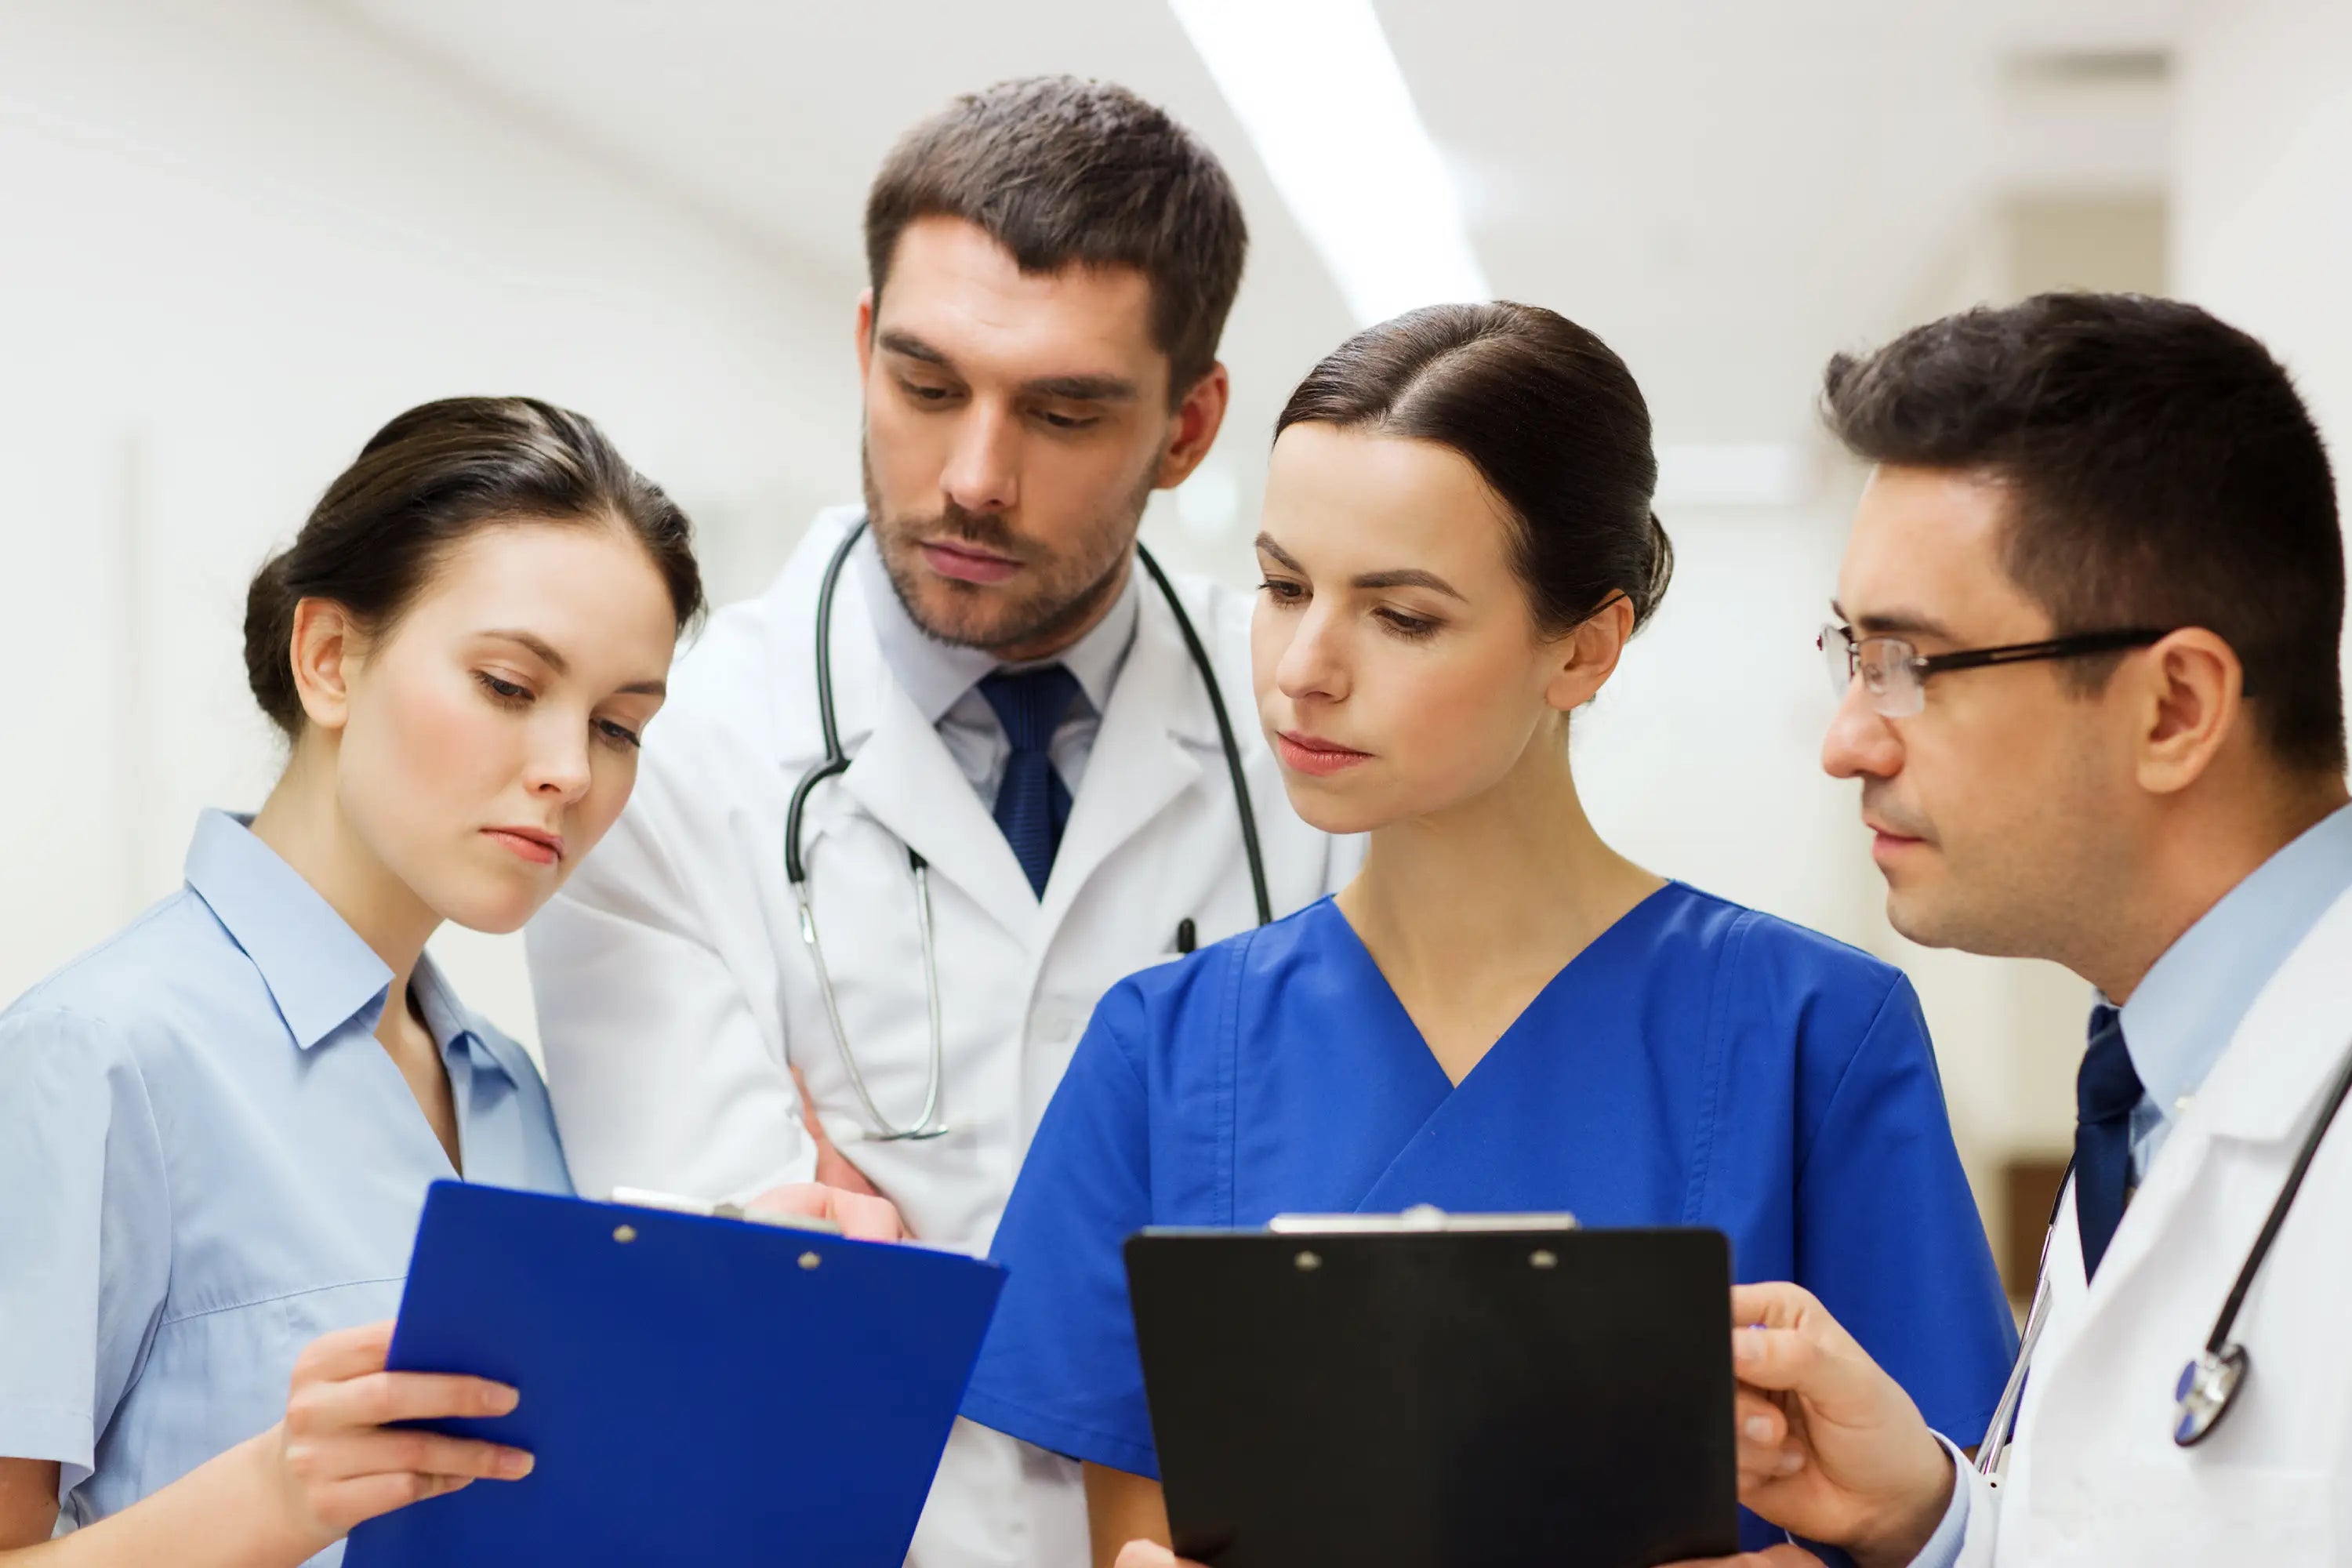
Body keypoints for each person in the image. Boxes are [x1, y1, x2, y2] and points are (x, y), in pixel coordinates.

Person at [958, 301, 2020, 1567]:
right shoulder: (1162, 1052)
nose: (1304, 667)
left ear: (1583, 648)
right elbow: (1142, 1541)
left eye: (1401, 616)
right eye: (1285, 587)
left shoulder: (1814, 1037)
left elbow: (1952, 1518)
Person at [523, 77, 1349, 1566]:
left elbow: (1378, 1237)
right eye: (924, 385)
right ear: (860, 349)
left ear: (1190, 424)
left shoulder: (1314, 730)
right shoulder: (676, 756)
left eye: (1065, 410)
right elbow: (731, 1283)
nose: (973, 477)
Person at [0, 397, 894, 1567]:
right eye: (512, 688)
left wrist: (726, 1299)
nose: (570, 771)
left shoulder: (512, 1097)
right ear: (328, 658)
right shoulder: (94, 1057)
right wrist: (272, 1497)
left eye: (621, 726)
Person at [1648, 294, 2352, 1567]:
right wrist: (1935, 1521)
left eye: (1911, 664)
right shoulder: (2145, 1089)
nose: (1846, 739)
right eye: (1850, 655)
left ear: (2173, 708)